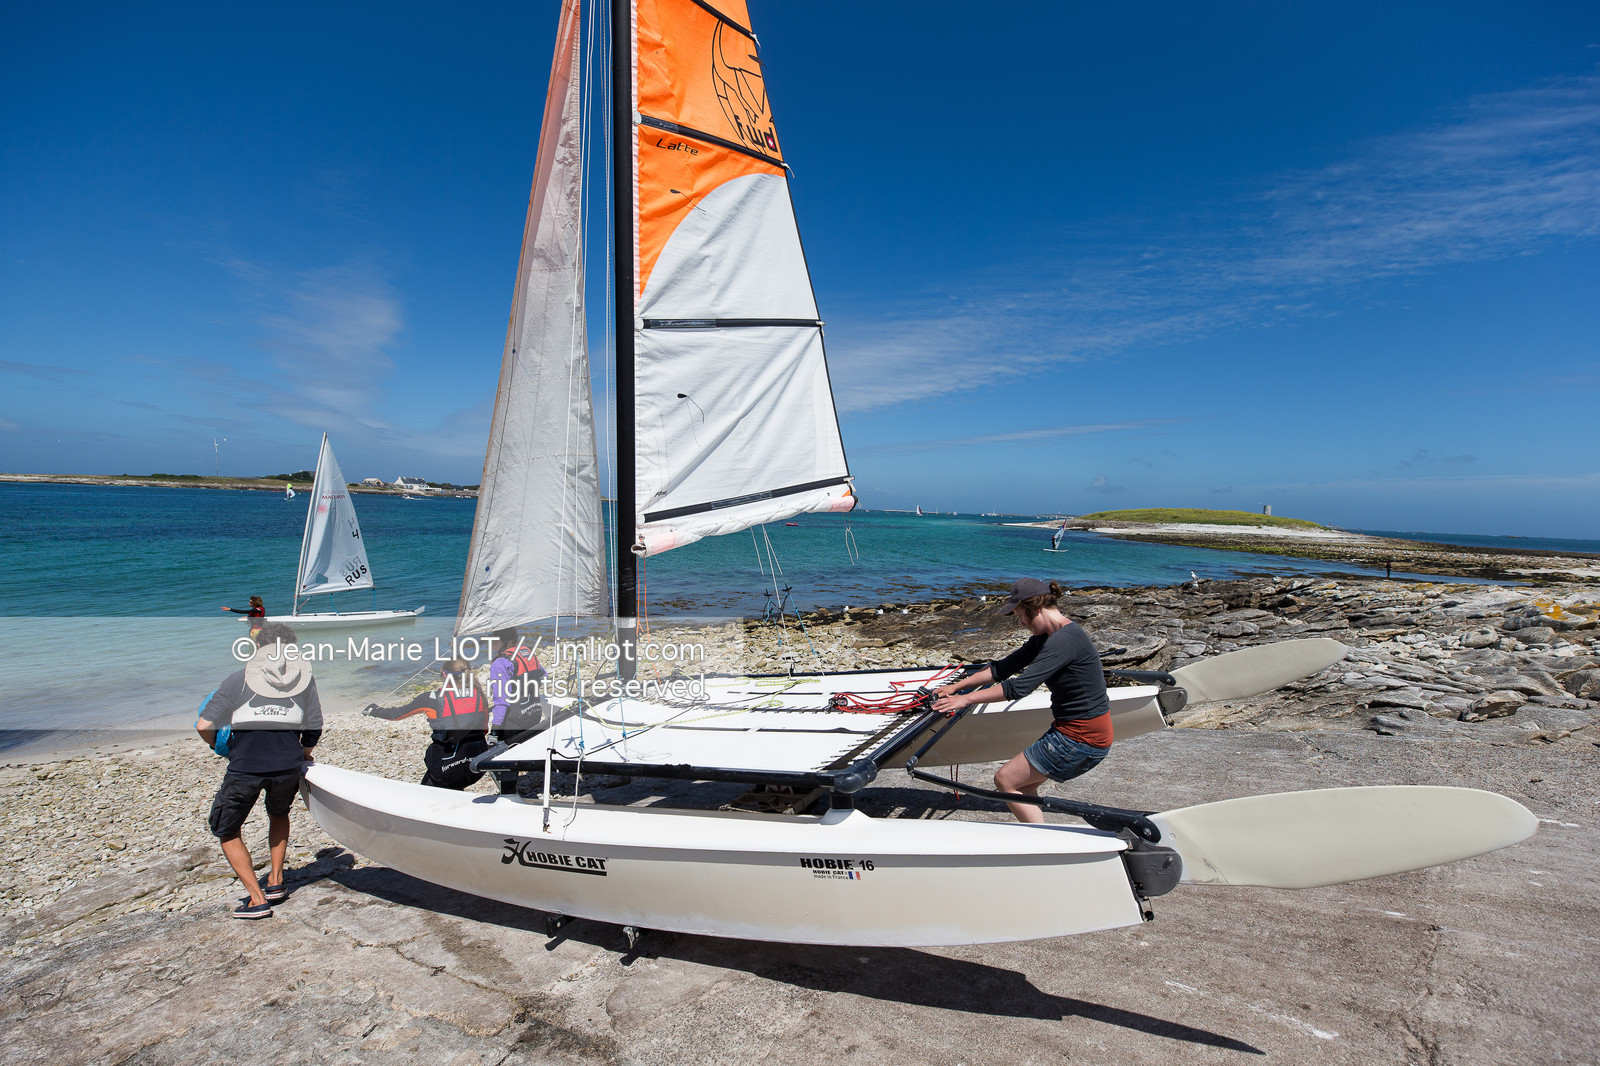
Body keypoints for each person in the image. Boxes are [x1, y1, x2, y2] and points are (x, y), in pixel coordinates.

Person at [932, 578, 1111, 823]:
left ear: (1035, 607)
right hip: (1078, 732)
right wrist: (955, 687)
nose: (1021, 622)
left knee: (1005, 780)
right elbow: (1002, 669)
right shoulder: (1048, 636)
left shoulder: (1064, 640)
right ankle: (1039, 842)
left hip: (1081, 738)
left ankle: (1042, 847)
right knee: (1024, 790)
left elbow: (1019, 686)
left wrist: (965, 700)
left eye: (1021, 615)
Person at [197, 621, 322, 918]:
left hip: (245, 768)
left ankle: (257, 899)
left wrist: (221, 747)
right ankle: (276, 881)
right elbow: (314, 724)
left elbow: (204, 725)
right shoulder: (303, 681)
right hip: (288, 766)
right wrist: (304, 752)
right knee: (278, 813)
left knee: (226, 829)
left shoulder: (237, 680)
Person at [363, 659, 492, 789]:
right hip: (476, 763)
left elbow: (397, 714)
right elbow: (484, 729)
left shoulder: (433, 699)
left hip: (448, 768)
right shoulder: (479, 694)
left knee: (434, 782)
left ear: (445, 675)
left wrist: (375, 711)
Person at [486, 628, 549, 794]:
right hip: (534, 713)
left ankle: (508, 794)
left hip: (516, 718)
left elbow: (501, 703)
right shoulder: (527, 652)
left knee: (498, 754)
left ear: (505, 641)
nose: (489, 641)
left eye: (492, 638)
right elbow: (544, 674)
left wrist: (494, 732)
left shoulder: (500, 663)